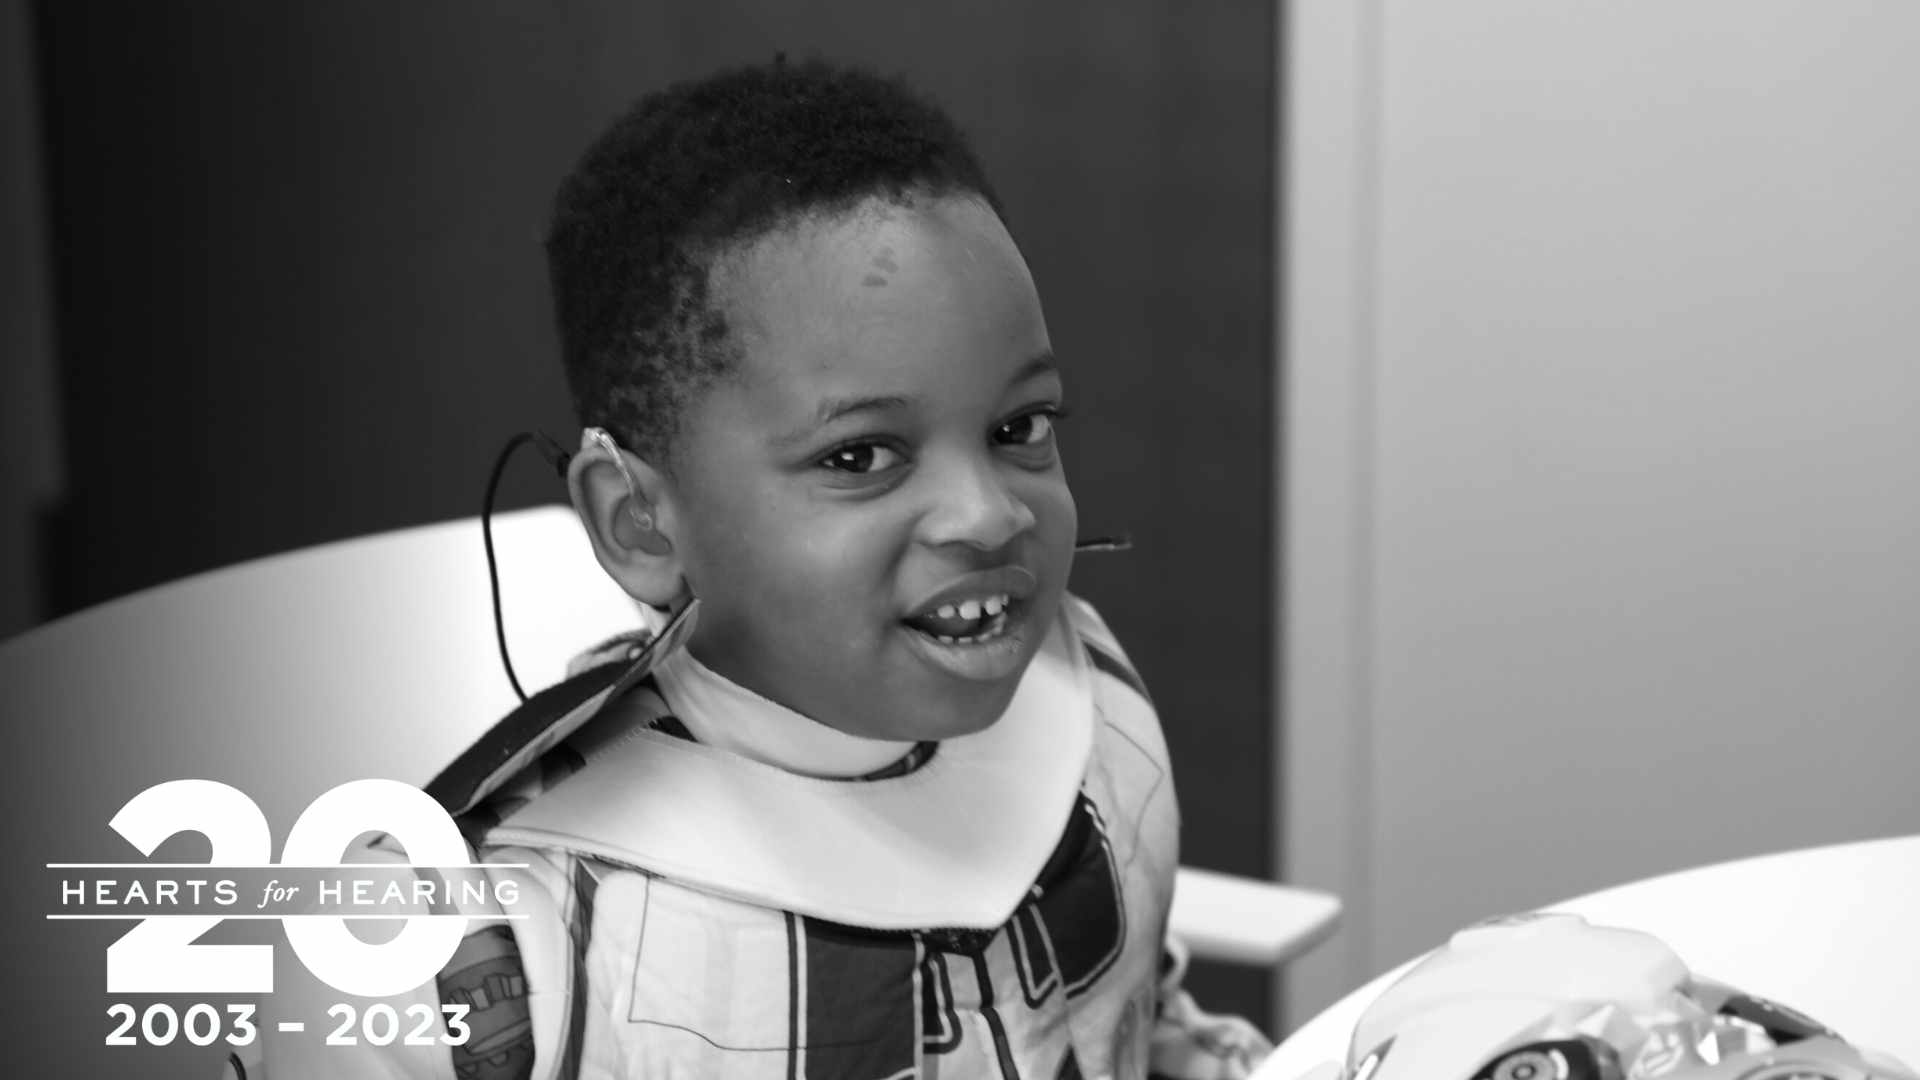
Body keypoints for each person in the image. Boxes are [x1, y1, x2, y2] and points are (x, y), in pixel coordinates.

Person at [256, 56, 1270, 1080]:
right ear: (643, 524)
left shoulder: (1089, 696)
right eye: (859, 456)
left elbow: (1139, 1021)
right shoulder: (465, 963)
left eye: (1019, 426)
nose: (989, 513)